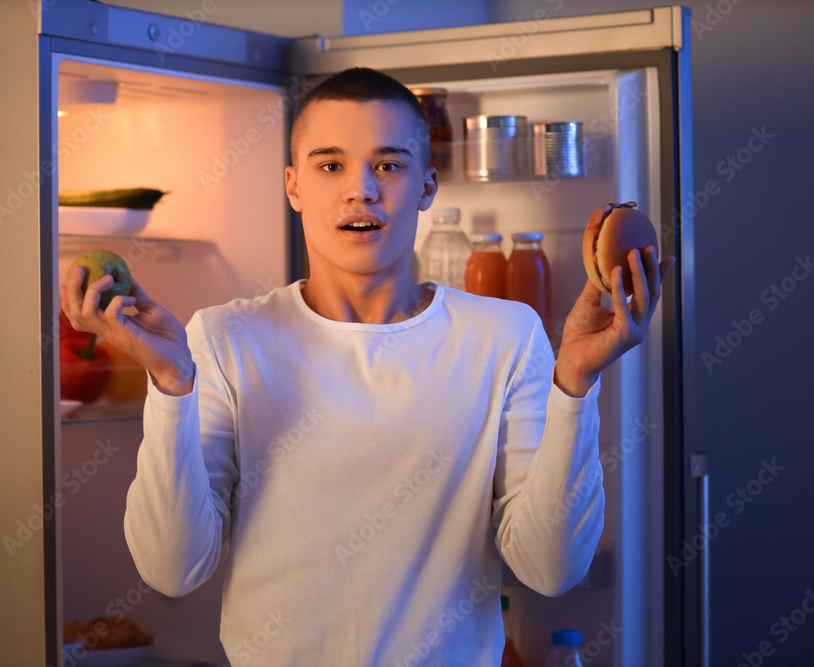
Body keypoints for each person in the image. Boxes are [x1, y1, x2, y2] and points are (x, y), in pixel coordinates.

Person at [60, 67, 675, 666]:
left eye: (389, 164)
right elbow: (173, 569)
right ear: (294, 185)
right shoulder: (225, 338)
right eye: (331, 165)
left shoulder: (504, 336)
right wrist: (171, 386)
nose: (362, 189)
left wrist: (576, 384)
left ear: (428, 186)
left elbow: (552, 569)